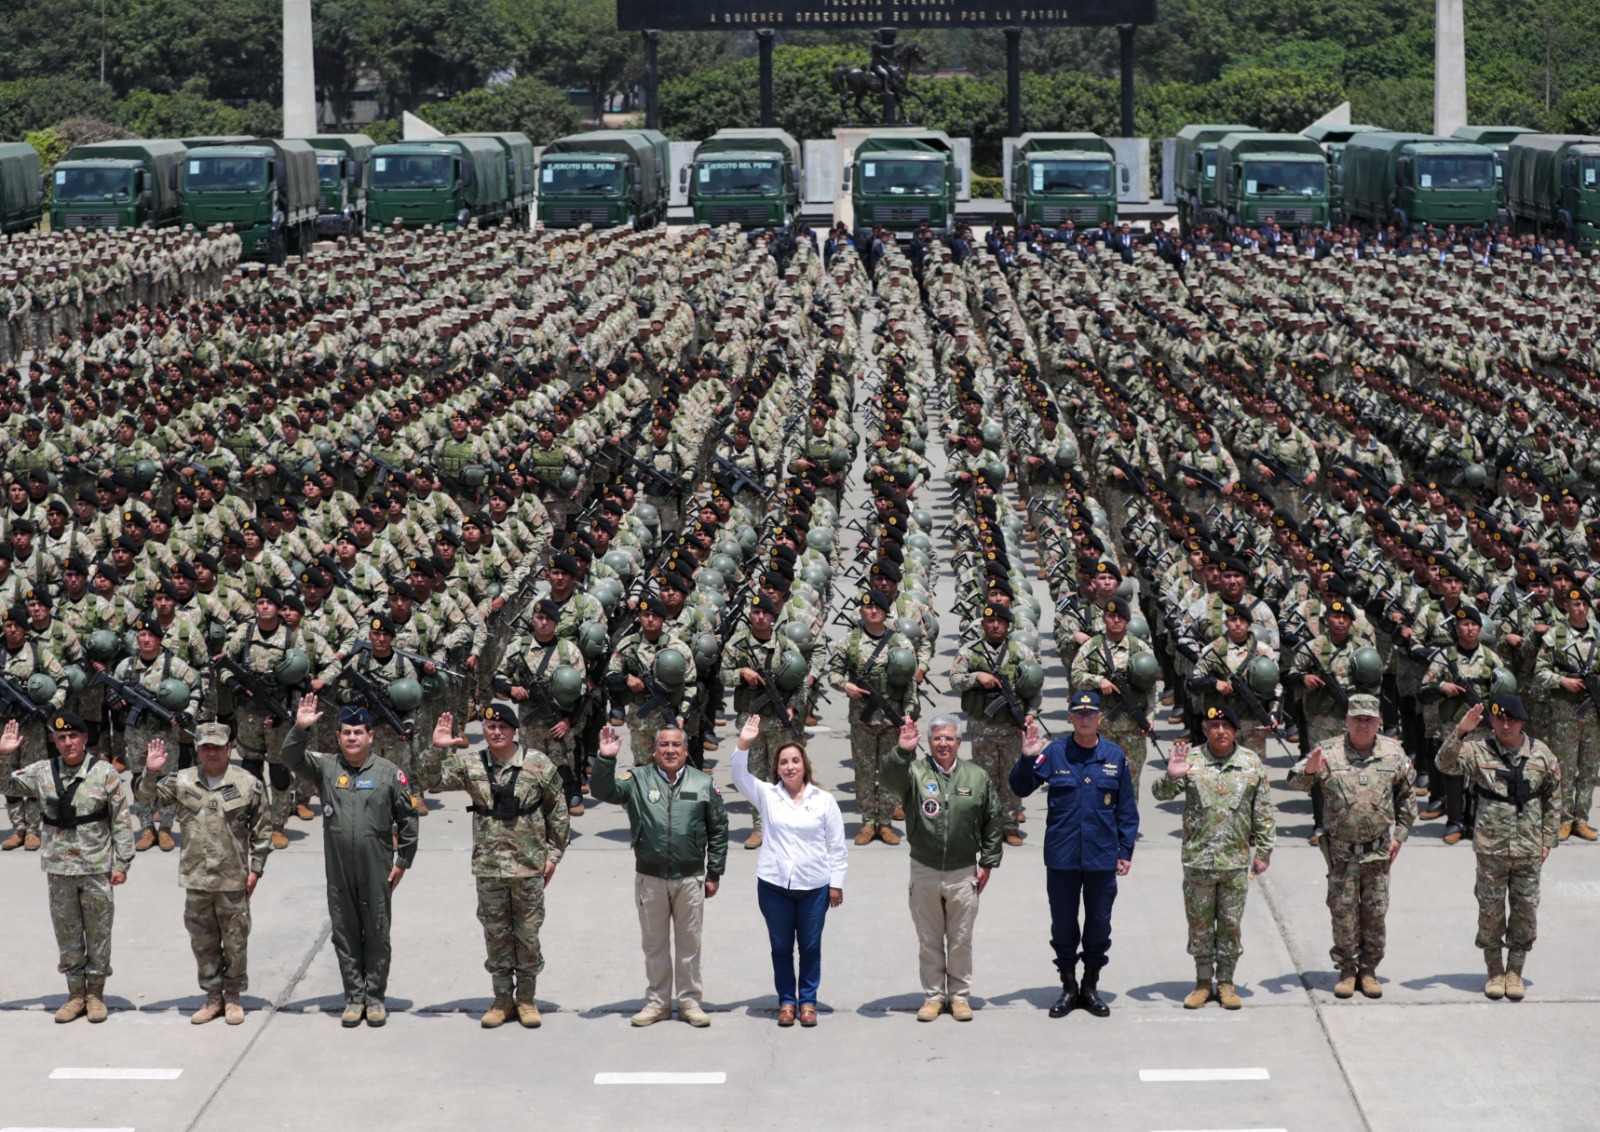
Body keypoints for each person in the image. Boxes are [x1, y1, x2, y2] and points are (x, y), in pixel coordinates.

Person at [279, 692, 419, 1027]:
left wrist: (404, 860)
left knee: (376, 932)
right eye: (346, 732)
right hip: (339, 869)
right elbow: (289, 756)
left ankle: (374, 999)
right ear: (338, 737)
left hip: (377, 867)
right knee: (344, 932)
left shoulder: (389, 773)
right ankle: (353, 998)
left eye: (358, 732)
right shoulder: (327, 767)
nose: (352, 737)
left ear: (371, 736)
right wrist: (300, 727)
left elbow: (408, 819)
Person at [425, 704, 569, 1029]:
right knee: (496, 936)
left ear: (514, 730)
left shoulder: (537, 764)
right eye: (491, 727)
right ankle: (502, 999)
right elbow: (430, 780)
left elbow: (557, 808)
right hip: (489, 867)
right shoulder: (471, 763)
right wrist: (438, 748)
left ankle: (527, 999)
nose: (496, 731)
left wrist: (553, 855)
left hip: (529, 865)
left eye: (503, 726)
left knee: (528, 936)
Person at [590, 722, 728, 1028]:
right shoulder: (637, 779)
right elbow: (603, 791)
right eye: (663, 745)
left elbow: (718, 829)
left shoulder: (703, 782)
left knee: (689, 945)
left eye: (676, 745)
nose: (670, 750)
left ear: (686, 750)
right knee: (654, 945)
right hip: (650, 879)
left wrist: (714, 871)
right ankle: (658, 1003)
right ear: (654, 751)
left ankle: (690, 1002)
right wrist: (606, 758)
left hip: (690, 878)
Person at [1009, 691, 1139, 1018]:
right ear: (1070, 718)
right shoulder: (1054, 753)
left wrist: (1125, 850)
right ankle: (1068, 986)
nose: (1084, 718)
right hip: (1062, 857)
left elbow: (1126, 809)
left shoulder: (1114, 755)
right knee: (1063, 926)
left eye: (1090, 713)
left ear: (1100, 718)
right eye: (1078, 713)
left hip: (1101, 857)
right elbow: (1020, 788)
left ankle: (1090, 985)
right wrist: (1026, 758)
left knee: (1098, 924)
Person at [0, 711, 134, 1023]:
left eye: (73, 736)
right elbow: (5, 785)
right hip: (59, 870)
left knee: (98, 934)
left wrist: (123, 862)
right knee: (67, 935)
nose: (68, 742)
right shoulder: (42, 772)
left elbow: (121, 820)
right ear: (55, 742)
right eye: (61, 738)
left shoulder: (104, 774)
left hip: (96, 867)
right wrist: (4, 754)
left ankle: (96, 995)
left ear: (85, 739)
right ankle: (75, 995)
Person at [137, 722, 272, 1024]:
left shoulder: (248, 783)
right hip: (196, 877)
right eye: (205, 747)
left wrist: (257, 869)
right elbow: (145, 800)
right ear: (197, 749)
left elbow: (263, 831)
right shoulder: (182, 780)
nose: (211, 752)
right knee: (203, 941)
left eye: (217, 746)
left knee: (235, 939)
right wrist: (150, 772)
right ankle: (213, 997)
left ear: (229, 748)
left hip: (232, 877)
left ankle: (234, 996)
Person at [1288, 693, 1416, 999]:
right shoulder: (1328, 751)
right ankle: (1347, 969)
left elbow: (1407, 800)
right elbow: (1294, 781)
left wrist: (1400, 836)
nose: (1362, 725)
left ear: (1378, 723)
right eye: (1357, 719)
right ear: (1346, 721)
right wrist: (1309, 770)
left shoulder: (1393, 752)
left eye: (1369, 720)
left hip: (1378, 852)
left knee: (1375, 913)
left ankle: (1369, 970)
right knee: (1343, 912)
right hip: (1342, 851)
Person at [1436, 696, 1561, 1001]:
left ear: (1522, 722)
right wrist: (1460, 732)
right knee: (1490, 911)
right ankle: (1494, 970)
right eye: (1499, 720)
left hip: (1529, 848)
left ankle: (1514, 970)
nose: (1506, 726)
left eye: (1512, 720)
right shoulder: (1479, 751)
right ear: (1491, 721)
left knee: (1525, 911)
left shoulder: (1541, 754)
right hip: (1490, 848)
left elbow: (1553, 798)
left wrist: (1548, 840)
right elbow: (1444, 764)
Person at [1151, 706, 1274, 1010]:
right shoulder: (1190, 760)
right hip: (1199, 861)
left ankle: (1228, 983)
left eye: (1226, 726)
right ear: (1204, 729)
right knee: (1200, 925)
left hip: (1235, 861)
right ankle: (1203, 982)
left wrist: (1265, 851)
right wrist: (1171, 775)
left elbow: (1263, 811)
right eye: (1214, 725)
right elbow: (1158, 794)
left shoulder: (1250, 763)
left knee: (1230, 924)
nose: (1221, 731)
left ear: (1235, 730)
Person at [883, 712, 1004, 1022]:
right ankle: (934, 996)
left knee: (961, 938)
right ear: (929, 741)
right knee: (929, 939)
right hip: (924, 869)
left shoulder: (976, 776)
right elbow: (888, 779)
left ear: (959, 742)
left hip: (963, 871)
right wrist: (901, 752)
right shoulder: (914, 772)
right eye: (937, 738)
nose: (943, 743)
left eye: (949, 738)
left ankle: (960, 997)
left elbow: (993, 819)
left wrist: (988, 862)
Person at [729, 713, 846, 1028]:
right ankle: (786, 1002)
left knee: (809, 946)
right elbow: (739, 776)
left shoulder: (824, 801)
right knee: (780, 947)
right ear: (776, 768)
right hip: (774, 885)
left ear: (805, 765)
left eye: (795, 761)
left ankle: (807, 1001)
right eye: (784, 762)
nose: (790, 766)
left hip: (814, 888)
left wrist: (836, 884)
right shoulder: (767, 795)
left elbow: (837, 847)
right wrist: (743, 744)